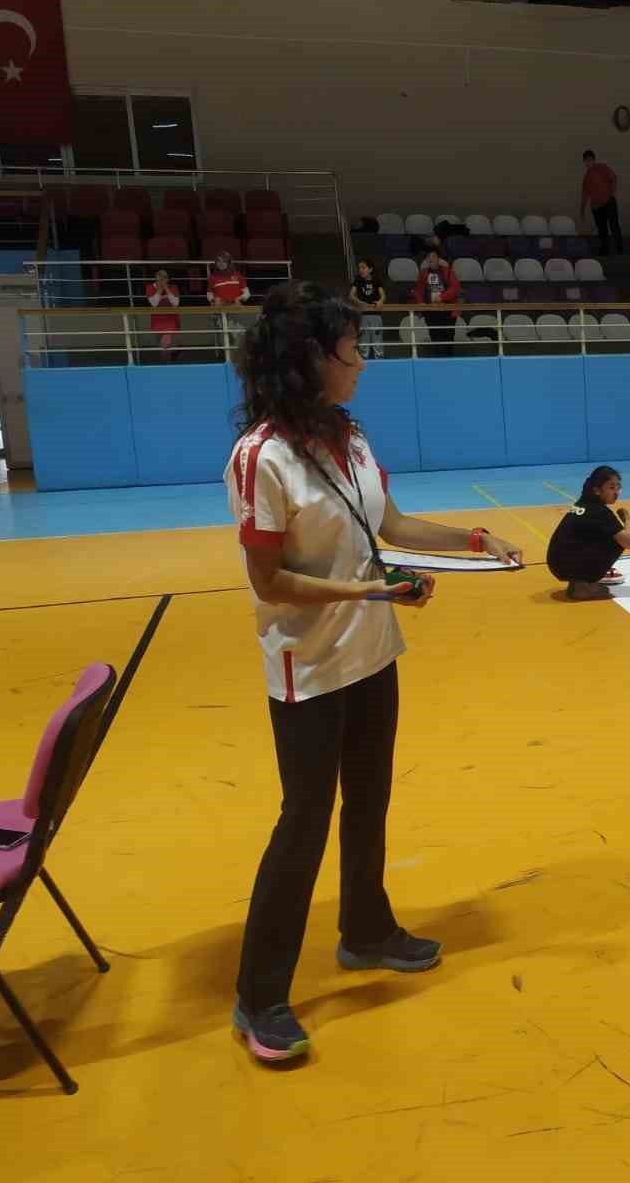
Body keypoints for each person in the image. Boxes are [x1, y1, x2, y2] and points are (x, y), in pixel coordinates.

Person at [222, 281, 522, 1064]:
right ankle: (259, 996)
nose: (363, 363)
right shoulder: (261, 458)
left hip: (371, 653)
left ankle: (365, 929)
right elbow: (269, 582)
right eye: (354, 350)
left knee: (371, 799)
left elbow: (389, 524)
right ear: (313, 360)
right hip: (308, 667)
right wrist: (366, 588)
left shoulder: (349, 437)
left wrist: (474, 539)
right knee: (304, 821)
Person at [546, 465, 630, 600]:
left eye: (618, 487)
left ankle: (580, 583)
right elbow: (628, 542)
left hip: (556, 563)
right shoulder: (599, 511)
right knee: (617, 541)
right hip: (568, 566)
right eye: (611, 487)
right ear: (597, 490)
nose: (616, 492)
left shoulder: (582, 503)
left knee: (603, 536)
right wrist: (627, 518)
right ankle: (584, 587)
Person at [413, 251, 461, 353]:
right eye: (429, 258)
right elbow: (418, 291)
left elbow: (455, 288)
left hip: (447, 311)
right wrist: (421, 303)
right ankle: (437, 359)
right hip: (431, 312)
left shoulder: (448, 271)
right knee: (435, 337)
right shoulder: (423, 273)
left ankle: (448, 359)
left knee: (448, 337)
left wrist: (441, 297)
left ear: (439, 260)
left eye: (433, 257)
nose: (431, 260)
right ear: (426, 261)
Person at [579, 150, 623, 256]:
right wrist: (582, 210)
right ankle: (604, 250)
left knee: (614, 226)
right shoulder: (586, 178)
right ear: (584, 162)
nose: (588, 163)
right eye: (586, 161)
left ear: (594, 160)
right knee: (602, 229)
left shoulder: (602, 168)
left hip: (609, 202)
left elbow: (614, 177)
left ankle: (620, 249)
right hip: (597, 207)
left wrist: (612, 193)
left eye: (590, 160)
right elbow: (585, 195)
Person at [208, 251, 252, 355]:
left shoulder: (238, 276)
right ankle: (228, 358)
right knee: (226, 336)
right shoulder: (212, 278)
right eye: (218, 262)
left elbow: (247, 294)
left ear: (229, 263)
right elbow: (209, 294)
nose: (220, 263)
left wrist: (239, 298)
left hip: (236, 310)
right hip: (220, 311)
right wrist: (214, 300)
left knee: (238, 334)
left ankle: (240, 357)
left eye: (223, 261)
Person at [348, 258, 386, 359]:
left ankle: (380, 360)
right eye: (359, 268)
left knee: (377, 340)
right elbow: (351, 295)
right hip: (362, 315)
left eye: (363, 267)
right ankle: (364, 361)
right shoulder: (358, 280)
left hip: (375, 315)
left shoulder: (376, 280)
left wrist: (380, 302)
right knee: (363, 341)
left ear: (370, 269)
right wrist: (360, 303)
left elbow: (383, 295)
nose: (360, 270)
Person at [145, 268, 181, 362]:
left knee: (165, 343)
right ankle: (170, 358)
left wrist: (166, 288)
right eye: (159, 278)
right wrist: (160, 289)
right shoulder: (150, 287)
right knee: (162, 346)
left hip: (171, 320)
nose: (162, 280)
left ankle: (166, 364)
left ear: (168, 279)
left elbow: (175, 303)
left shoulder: (173, 287)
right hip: (157, 320)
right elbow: (154, 303)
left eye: (164, 278)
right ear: (156, 278)